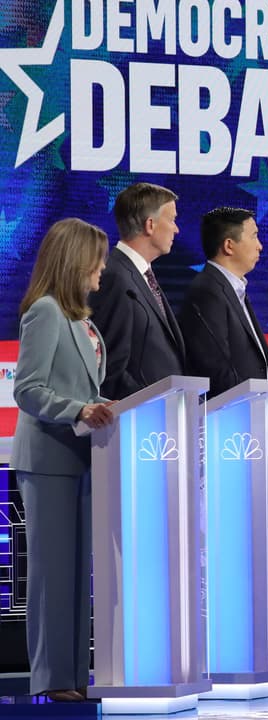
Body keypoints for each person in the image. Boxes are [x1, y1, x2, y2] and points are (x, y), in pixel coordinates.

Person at [12, 219, 117, 702]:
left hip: (82, 457)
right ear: (75, 259)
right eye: (97, 259)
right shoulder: (46, 312)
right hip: (49, 459)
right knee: (53, 573)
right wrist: (79, 409)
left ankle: (75, 676)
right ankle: (52, 679)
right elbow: (28, 390)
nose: (102, 269)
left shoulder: (83, 320)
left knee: (77, 573)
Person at [89, 182, 186, 400]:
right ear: (150, 225)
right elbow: (110, 367)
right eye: (172, 220)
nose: (176, 228)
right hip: (141, 422)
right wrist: (155, 405)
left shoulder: (140, 274)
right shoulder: (114, 276)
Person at [178, 207, 268, 397]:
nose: (260, 246)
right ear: (229, 246)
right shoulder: (207, 291)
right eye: (254, 236)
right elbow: (215, 369)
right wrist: (254, 406)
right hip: (231, 419)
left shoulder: (233, 289)